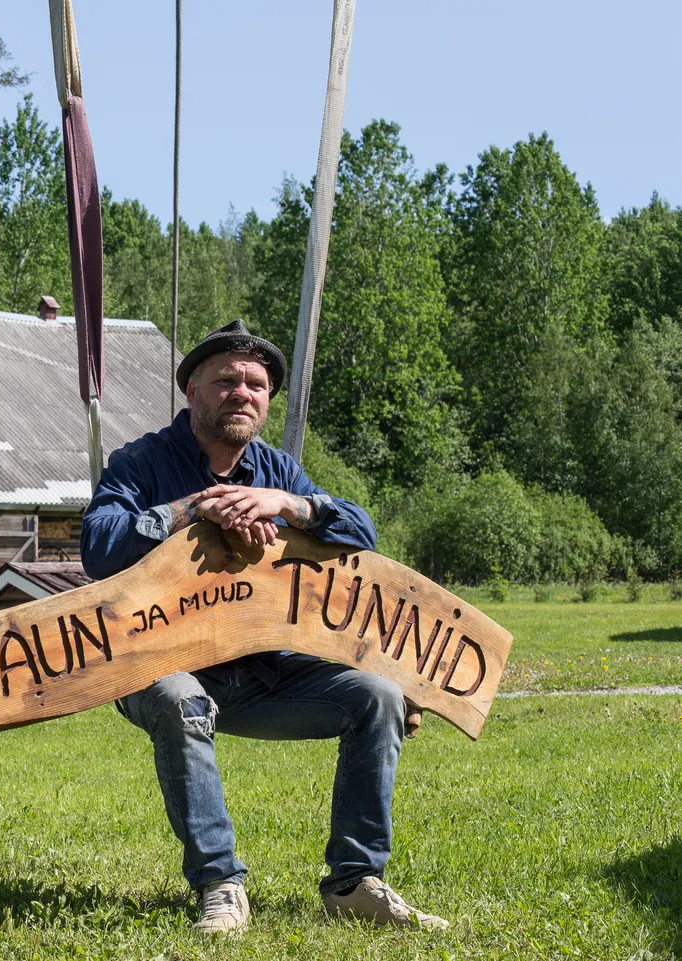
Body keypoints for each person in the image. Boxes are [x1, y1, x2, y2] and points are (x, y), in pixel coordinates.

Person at [80, 319, 446, 935]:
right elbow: (98, 543)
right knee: (181, 699)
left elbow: (361, 532)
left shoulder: (279, 470)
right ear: (191, 389)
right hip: (160, 663)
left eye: (255, 384)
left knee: (378, 695)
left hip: (265, 668)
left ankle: (354, 883)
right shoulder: (140, 462)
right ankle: (220, 885)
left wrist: (289, 506)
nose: (241, 392)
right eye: (225, 380)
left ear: (268, 398)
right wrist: (188, 511)